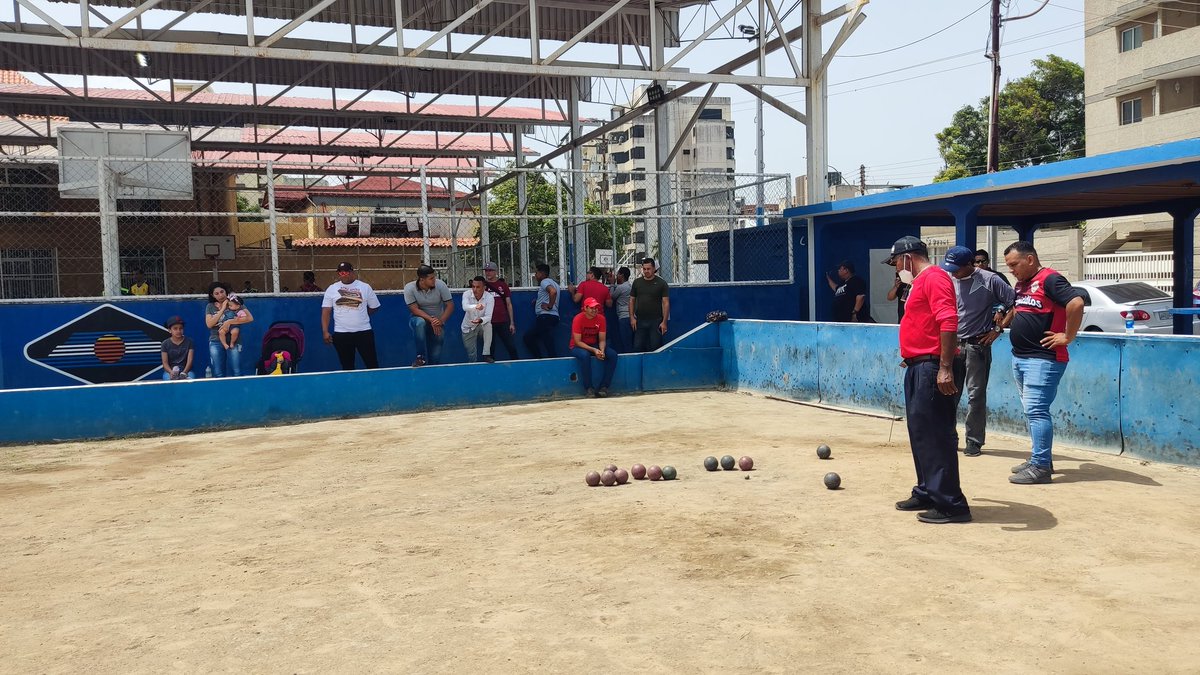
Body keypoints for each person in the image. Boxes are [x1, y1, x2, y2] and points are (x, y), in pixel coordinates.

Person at [885, 236, 972, 525]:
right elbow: (924, 325)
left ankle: (951, 504)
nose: (896, 269)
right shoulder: (918, 282)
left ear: (908, 258)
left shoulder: (934, 278)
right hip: (920, 364)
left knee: (936, 434)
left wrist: (944, 366)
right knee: (921, 433)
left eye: (896, 263)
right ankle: (927, 490)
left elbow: (948, 322)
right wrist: (911, 355)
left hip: (934, 366)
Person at [1000, 241, 1084, 485]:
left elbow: (1076, 302)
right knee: (1031, 411)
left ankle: (1040, 467)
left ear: (1030, 259)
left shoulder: (1050, 279)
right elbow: (1019, 309)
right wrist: (1002, 324)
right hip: (1021, 356)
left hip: (1044, 358)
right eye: (1008, 266)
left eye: (1014, 264)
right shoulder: (1022, 284)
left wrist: (1068, 336)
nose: (1011, 270)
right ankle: (1040, 459)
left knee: (1036, 411)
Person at [942, 246, 1016, 458]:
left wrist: (997, 330)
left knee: (975, 395)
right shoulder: (947, 279)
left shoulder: (990, 279)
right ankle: (948, 437)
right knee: (948, 392)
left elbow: (1014, 303)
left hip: (977, 345)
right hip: (953, 344)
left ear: (969, 265)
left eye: (957, 268)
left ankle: (973, 441)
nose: (953, 271)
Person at [321, 262, 381, 370]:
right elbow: (326, 311)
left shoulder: (365, 287)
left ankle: (375, 386)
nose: (344, 275)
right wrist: (325, 331)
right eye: (341, 272)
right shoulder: (332, 289)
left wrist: (362, 314)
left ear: (352, 272)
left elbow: (375, 306)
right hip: (341, 334)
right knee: (347, 367)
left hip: (364, 332)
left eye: (347, 272)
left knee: (372, 364)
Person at [404, 264, 455, 366]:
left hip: (438, 322)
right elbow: (414, 309)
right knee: (420, 323)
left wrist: (440, 321)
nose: (434, 280)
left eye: (434, 277)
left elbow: (450, 305)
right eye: (431, 278)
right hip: (419, 319)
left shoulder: (440, 285)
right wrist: (431, 320)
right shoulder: (409, 288)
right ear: (422, 280)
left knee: (435, 357)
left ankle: (433, 369)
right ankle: (420, 357)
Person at [204, 281, 254, 377]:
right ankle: (221, 391)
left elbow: (249, 318)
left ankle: (239, 391)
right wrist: (222, 309)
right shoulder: (210, 306)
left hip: (233, 340)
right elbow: (209, 324)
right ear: (212, 295)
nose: (220, 295)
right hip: (216, 340)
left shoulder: (234, 302)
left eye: (222, 292)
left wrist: (229, 322)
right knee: (218, 372)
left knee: (237, 371)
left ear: (226, 291)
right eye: (216, 293)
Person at [570, 297, 618, 398]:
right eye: (592, 308)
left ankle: (604, 387)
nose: (595, 310)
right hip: (578, 346)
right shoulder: (578, 319)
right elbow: (577, 342)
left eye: (596, 307)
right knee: (585, 355)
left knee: (613, 355)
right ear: (585, 308)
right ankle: (589, 388)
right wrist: (594, 350)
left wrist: (602, 350)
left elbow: (602, 339)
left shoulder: (601, 319)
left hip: (595, 345)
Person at [630, 257, 670, 352]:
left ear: (653, 269)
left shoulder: (662, 283)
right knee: (637, 346)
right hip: (639, 321)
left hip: (656, 321)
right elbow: (631, 300)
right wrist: (632, 318)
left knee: (655, 347)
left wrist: (664, 322)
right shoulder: (637, 282)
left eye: (648, 269)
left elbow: (666, 303)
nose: (646, 271)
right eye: (644, 269)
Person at [482, 262, 519, 360]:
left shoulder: (502, 285)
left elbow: (509, 304)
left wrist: (511, 323)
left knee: (511, 347)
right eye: (486, 271)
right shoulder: (482, 286)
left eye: (490, 270)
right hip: (488, 322)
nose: (488, 273)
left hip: (502, 321)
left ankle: (517, 367)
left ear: (496, 271)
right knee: (489, 349)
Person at [524, 263, 561, 358]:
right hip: (553, 317)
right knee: (547, 339)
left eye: (536, 273)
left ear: (542, 273)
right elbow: (550, 294)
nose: (535, 275)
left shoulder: (544, 282)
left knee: (528, 337)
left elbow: (553, 292)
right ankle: (549, 359)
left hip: (545, 316)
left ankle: (540, 359)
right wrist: (537, 302)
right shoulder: (555, 283)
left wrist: (549, 306)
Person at [461, 276, 495, 363]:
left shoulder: (489, 297)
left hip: (481, 324)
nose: (475, 289)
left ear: (484, 288)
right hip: (468, 327)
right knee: (471, 354)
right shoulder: (466, 294)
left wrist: (480, 320)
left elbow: (488, 316)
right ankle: (473, 369)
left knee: (488, 325)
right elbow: (465, 307)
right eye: (473, 286)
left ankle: (486, 354)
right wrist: (475, 306)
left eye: (478, 287)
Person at [160, 315, 195, 380]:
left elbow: (190, 360)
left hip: (187, 371)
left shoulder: (189, 342)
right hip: (169, 372)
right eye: (175, 328)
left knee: (191, 381)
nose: (178, 331)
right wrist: (171, 372)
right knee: (168, 381)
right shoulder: (165, 343)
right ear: (170, 330)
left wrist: (184, 373)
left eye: (180, 328)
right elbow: (165, 363)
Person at [609, 266, 634, 353]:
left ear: (621, 275)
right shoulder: (630, 286)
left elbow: (612, 296)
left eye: (618, 274)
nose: (616, 276)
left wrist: (612, 284)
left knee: (625, 341)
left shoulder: (621, 288)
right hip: (632, 316)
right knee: (631, 341)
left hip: (624, 317)